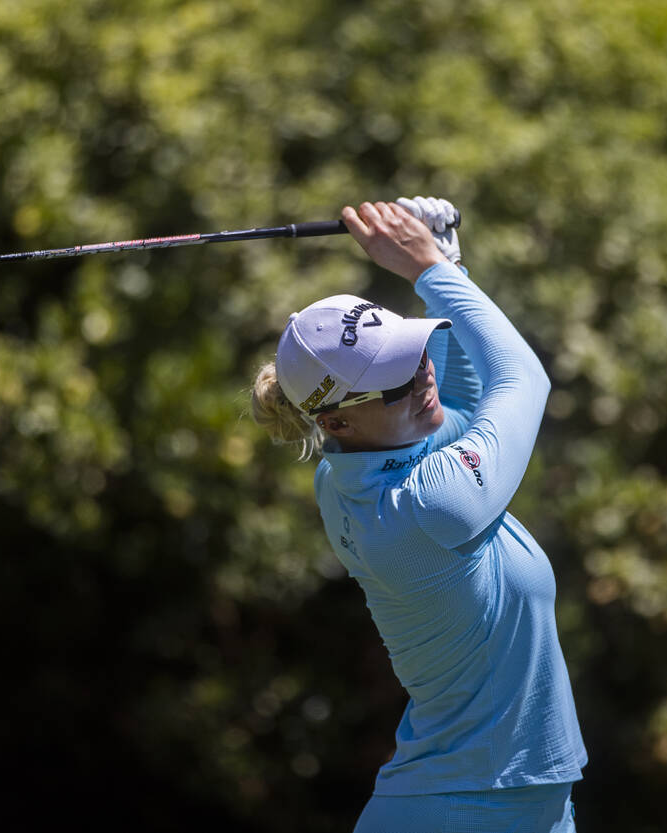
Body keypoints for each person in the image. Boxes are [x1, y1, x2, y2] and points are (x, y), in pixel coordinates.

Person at [250, 197, 587, 832]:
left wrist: (447, 259)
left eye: (415, 350)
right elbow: (521, 382)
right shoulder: (428, 505)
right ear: (338, 420)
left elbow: (455, 397)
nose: (423, 375)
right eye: (398, 378)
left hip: (507, 800)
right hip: (467, 808)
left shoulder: (351, 472)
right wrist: (431, 270)